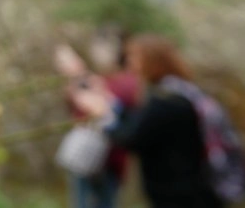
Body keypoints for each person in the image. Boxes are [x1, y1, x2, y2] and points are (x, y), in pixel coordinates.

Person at [72, 34, 223, 208]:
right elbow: (138, 121)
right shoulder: (176, 91)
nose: (129, 62)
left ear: (152, 61)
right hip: (184, 190)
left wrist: (103, 115)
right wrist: (110, 103)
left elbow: (131, 137)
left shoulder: (166, 100)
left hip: (179, 194)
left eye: (135, 57)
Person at [54, 37, 139, 208]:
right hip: (88, 154)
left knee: (100, 200)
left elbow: (111, 110)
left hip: (109, 156)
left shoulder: (123, 82)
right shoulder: (90, 82)